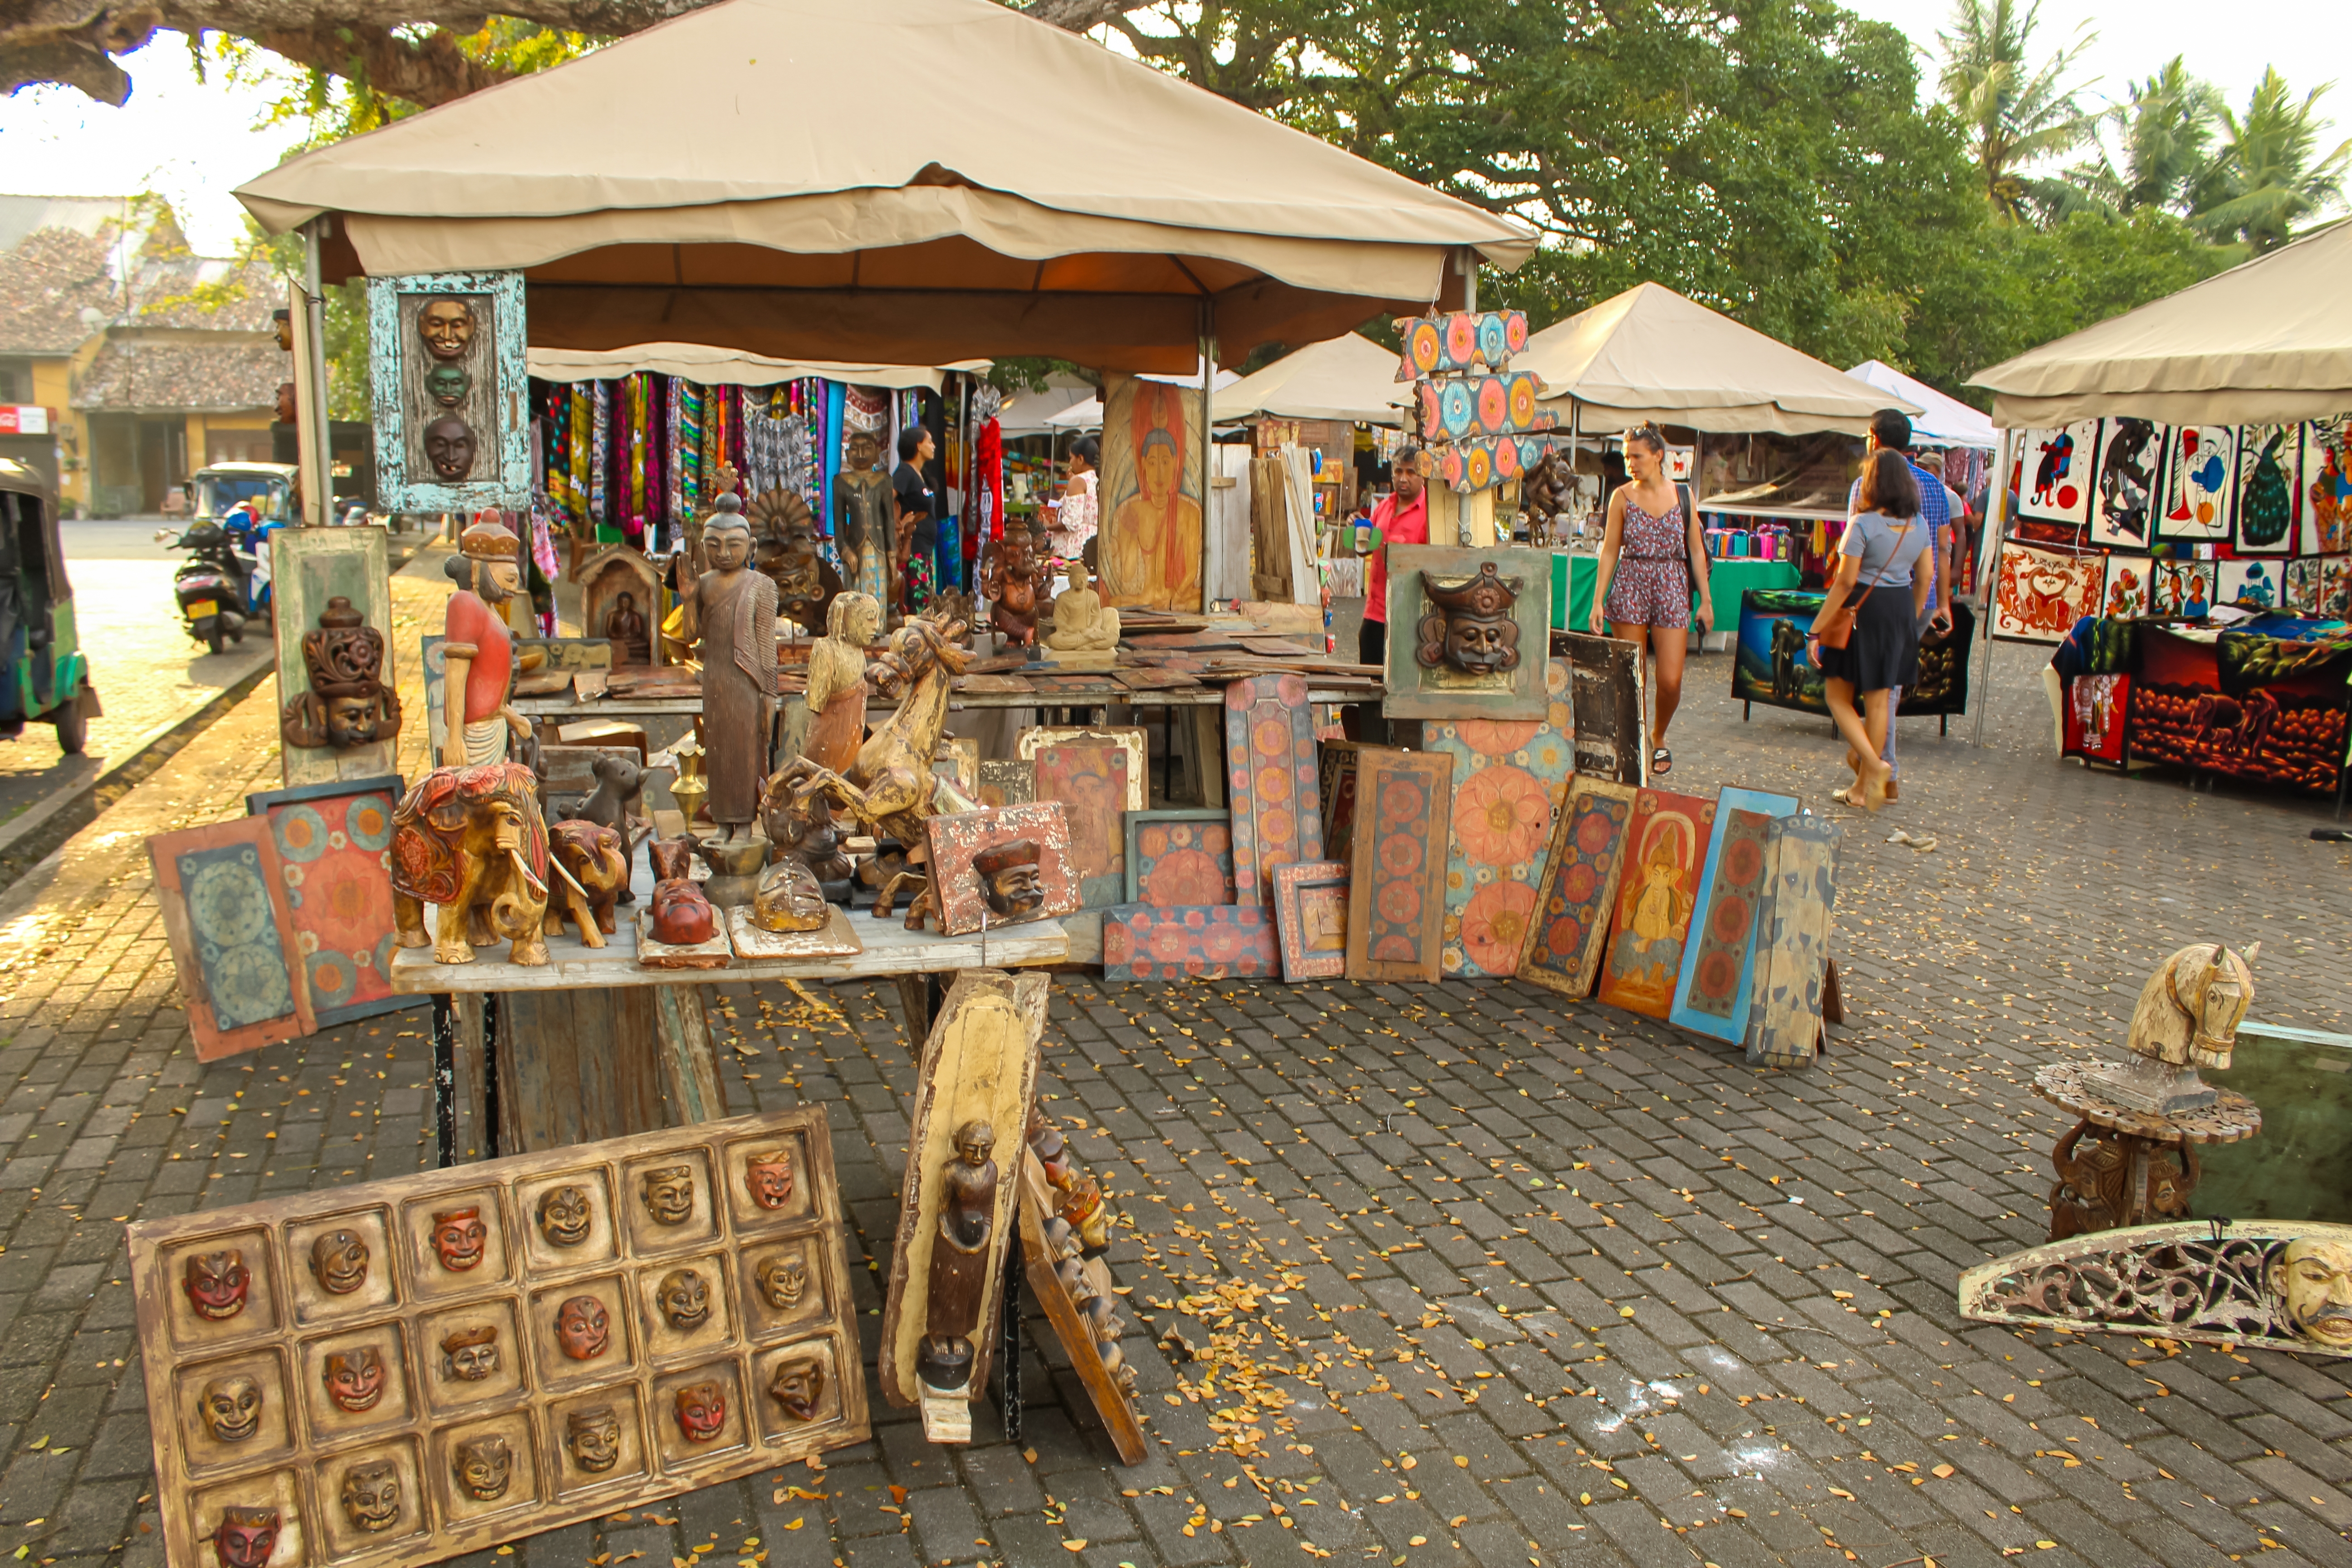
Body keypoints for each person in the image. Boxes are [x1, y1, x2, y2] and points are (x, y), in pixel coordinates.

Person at [1846, 409, 1960, 802]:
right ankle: (1872, 762)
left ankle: (1882, 769)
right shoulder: (1934, 487)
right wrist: (1942, 601)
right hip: (1917, 599)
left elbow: (1853, 552)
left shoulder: (1866, 484)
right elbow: (1942, 549)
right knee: (1887, 688)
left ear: (1875, 439)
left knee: (1877, 691)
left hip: (1876, 599)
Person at [1811, 450, 1932, 810]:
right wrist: (1907, 619)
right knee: (1880, 703)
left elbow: (1845, 581)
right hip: (1898, 609)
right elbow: (1924, 577)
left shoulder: (1862, 524)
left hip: (1862, 608)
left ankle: (1875, 765)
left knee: (1837, 697)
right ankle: (1864, 789)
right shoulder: (1919, 523)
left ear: (1872, 482)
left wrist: (1816, 630)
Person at [1588, 424, 1712, 776]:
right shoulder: (1622, 497)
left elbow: (1696, 550)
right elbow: (1610, 551)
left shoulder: (1683, 496)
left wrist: (1706, 600)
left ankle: (1658, 733)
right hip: (1631, 582)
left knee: (1671, 680)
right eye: (1627, 457)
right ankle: (1637, 743)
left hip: (1672, 583)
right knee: (1633, 677)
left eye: (1637, 456)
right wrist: (1599, 600)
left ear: (1658, 456)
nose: (1631, 463)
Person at [1358, 446, 1429, 668]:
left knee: (1399, 681)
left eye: (1411, 472)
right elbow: (1364, 548)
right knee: (1369, 681)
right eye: (1398, 472)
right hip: (1374, 612)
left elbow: (1434, 564)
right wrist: (1358, 530)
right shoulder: (1384, 506)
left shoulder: (1431, 513)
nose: (1403, 478)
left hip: (1408, 616)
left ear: (1423, 476)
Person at [893, 426, 938, 617]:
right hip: (912, 552)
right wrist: (899, 522)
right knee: (916, 607)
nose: (934, 446)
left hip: (924, 551)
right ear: (919, 446)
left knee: (925, 604)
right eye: (930, 442)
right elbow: (886, 498)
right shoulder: (905, 473)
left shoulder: (918, 475)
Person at [1054, 436, 1100, 561]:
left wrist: (1047, 527)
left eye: (1071, 457)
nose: (1070, 462)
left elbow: (1072, 523)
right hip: (1096, 544)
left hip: (1076, 547)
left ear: (1081, 459)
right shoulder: (1099, 479)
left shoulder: (1077, 481)